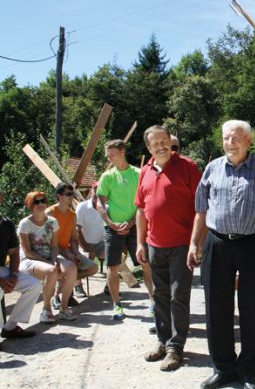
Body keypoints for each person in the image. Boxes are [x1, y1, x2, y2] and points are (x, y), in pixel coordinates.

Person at [188, 119, 255, 389]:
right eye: (226, 138)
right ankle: (223, 368)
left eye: (235, 138)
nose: (229, 143)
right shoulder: (212, 169)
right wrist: (194, 243)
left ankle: (247, 371)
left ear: (248, 141)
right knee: (216, 306)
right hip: (217, 243)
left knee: (253, 307)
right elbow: (201, 210)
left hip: (254, 243)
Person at [135, 125, 202, 371]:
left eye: (164, 141)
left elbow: (201, 208)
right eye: (155, 143)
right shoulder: (144, 172)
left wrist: (196, 242)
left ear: (171, 142)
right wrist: (140, 242)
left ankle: (175, 348)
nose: (161, 146)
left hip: (182, 245)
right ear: (148, 147)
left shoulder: (188, 167)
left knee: (178, 297)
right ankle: (162, 342)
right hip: (154, 244)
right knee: (159, 295)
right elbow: (141, 210)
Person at [97, 139, 153, 320]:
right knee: (112, 267)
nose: (109, 158)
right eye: (108, 155)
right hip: (112, 228)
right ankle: (117, 304)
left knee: (146, 263)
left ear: (122, 152)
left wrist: (131, 222)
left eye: (112, 154)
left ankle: (153, 301)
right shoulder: (107, 177)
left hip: (136, 225)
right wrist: (110, 222)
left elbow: (144, 201)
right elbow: (100, 202)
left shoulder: (139, 173)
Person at [18, 191, 78, 322]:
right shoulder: (25, 223)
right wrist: (50, 263)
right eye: (36, 202)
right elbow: (27, 251)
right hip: (30, 260)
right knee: (51, 271)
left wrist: (53, 259)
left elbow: (55, 246)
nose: (40, 204)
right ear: (30, 205)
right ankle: (46, 310)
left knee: (72, 267)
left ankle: (64, 308)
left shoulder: (52, 222)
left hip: (48, 257)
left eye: (43, 201)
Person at [0, 188, 42, 338]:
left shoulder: (6, 224)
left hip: (2, 269)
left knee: (34, 285)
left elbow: (14, 253)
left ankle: (10, 327)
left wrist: (14, 274)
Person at [47, 183, 97, 306]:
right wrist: (67, 255)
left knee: (93, 268)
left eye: (72, 194)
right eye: (68, 194)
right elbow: (48, 241)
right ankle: (59, 296)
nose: (71, 197)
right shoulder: (50, 213)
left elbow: (73, 239)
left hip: (67, 251)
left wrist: (75, 252)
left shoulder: (72, 215)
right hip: (51, 251)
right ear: (59, 196)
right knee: (71, 268)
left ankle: (64, 289)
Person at [76, 183, 106, 275]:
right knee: (80, 264)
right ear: (91, 191)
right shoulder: (82, 206)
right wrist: (86, 248)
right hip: (83, 243)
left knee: (115, 256)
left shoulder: (107, 208)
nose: (98, 194)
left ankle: (108, 286)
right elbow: (77, 230)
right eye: (96, 190)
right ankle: (77, 284)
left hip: (101, 244)